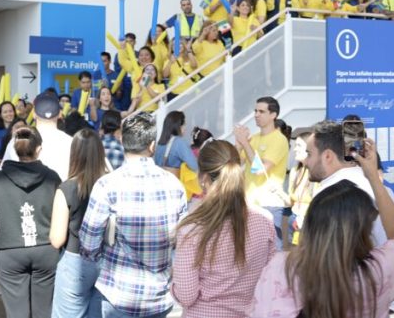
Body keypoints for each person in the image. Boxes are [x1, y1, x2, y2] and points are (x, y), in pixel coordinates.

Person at [251, 140, 394, 318]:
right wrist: (372, 176)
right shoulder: (378, 271)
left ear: (312, 223)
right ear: (363, 229)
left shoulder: (284, 267)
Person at [79, 113, 188, 318]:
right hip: (159, 296)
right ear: (152, 145)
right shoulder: (175, 185)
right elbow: (183, 241)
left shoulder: (107, 184)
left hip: (117, 293)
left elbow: (88, 242)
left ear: (122, 141)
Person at [294, 122, 394, 285]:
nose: (305, 161)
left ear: (328, 156)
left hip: (356, 288)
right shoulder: (379, 188)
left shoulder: (330, 196)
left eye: (309, 154)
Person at [172, 140, 276, 318]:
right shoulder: (265, 220)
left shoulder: (192, 228)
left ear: (203, 178)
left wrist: (173, 285)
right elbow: (270, 278)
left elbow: (186, 296)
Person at [0, 127, 63, 318]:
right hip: (46, 249)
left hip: (10, 249)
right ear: (39, 149)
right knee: (44, 311)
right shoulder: (52, 177)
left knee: (16, 313)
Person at [50, 129, 108, 318]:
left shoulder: (67, 188)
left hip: (75, 262)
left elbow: (57, 239)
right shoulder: (111, 184)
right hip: (107, 261)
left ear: (74, 153)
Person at [233, 97, 289, 250]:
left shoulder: (279, 139)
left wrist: (245, 143)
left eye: (262, 111)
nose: (256, 114)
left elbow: (259, 170)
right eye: (255, 111)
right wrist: (238, 146)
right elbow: (235, 164)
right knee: (250, 250)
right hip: (249, 203)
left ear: (273, 115)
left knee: (272, 249)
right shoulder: (253, 139)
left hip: (268, 204)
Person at [14, 93, 72, 181]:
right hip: (61, 192)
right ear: (60, 114)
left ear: (33, 114)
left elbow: (7, 172)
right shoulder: (71, 142)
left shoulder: (20, 139)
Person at [154, 111, 199, 178]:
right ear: (179, 126)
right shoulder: (179, 143)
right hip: (175, 183)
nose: (185, 128)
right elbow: (195, 166)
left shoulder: (160, 143)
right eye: (184, 124)